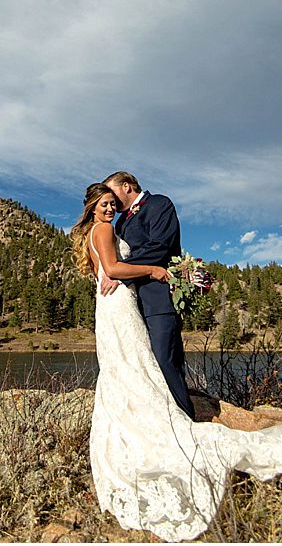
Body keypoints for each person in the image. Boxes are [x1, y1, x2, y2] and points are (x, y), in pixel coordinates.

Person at [71, 181, 282, 542]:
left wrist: (129, 269)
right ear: (93, 208)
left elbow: (153, 249)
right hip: (122, 302)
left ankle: (163, 417)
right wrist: (147, 271)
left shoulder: (154, 207)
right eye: (103, 203)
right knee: (138, 363)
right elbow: (114, 266)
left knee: (144, 363)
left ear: (126, 186)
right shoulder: (109, 227)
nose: (110, 206)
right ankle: (165, 424)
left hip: (126, 304)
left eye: (112, 199)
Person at [99, 171, 195, 420]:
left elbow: (160, 247)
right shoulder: (119, 224)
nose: (111, 201)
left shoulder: (160, 204)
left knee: (165, 360)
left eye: (113, 193)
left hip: (159, 296)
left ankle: (187, 422)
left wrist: (121, 274)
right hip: (132, 303)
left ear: (127, 186)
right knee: (145, 363)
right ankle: (161, 420)